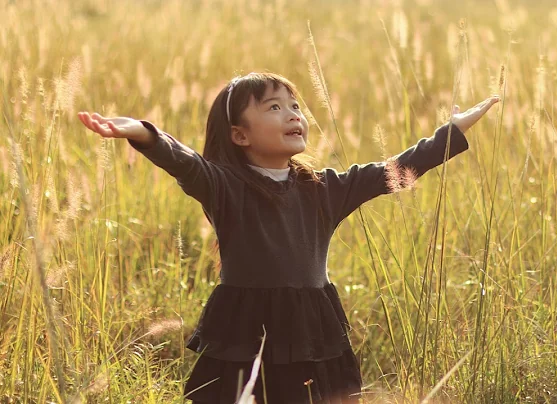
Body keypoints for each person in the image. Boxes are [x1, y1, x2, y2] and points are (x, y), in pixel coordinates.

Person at [77, 72, 500, 403]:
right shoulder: (225, 187)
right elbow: (185, 162)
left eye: (295, 106)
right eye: (274, 107)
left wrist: (451, 131)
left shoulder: (323, 188)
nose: (294, 114)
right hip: (246, 326)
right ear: (240, 135)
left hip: (309, 326)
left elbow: (392, 171)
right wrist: (143, 133)